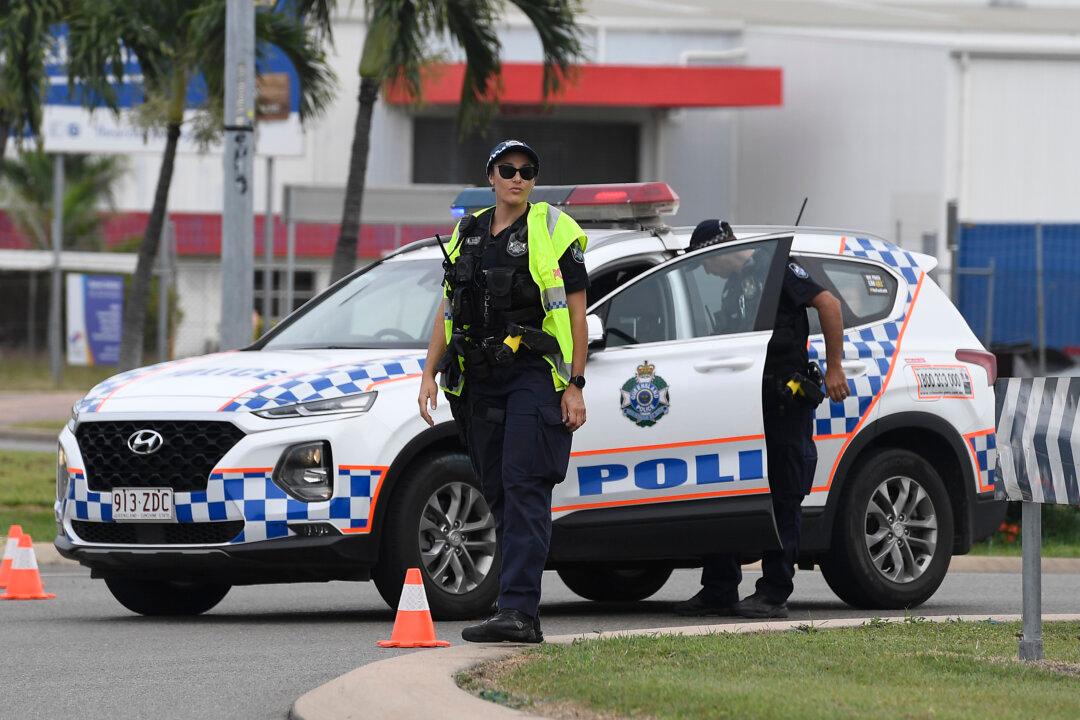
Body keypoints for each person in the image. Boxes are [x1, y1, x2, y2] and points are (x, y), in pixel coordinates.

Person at [417, 140, 589, 643]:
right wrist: (429, 373)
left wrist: (575, 384)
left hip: (533, 376)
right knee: (496, 491)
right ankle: (508, 607)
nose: (518, 178)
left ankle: (520, 613)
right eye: (508, 169)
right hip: (479, 380)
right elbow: (448, 311)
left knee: (525, 486)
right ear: (490, 175)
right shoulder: (466, 232)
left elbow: (576, 316)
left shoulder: (554, 228)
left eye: (528, 171)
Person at [674, 219, 848, 619]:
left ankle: (773, 593)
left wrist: (835, 367)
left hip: (784, 401)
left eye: (706, 262)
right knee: (729, 487)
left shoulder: (777, 268)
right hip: (746, 402)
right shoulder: (736, 287)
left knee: (784, 493)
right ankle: (719, 588)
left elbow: (829, 303)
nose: (706, 271)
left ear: (721, 249)